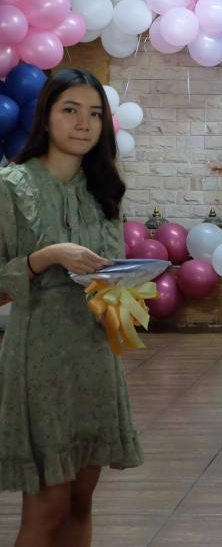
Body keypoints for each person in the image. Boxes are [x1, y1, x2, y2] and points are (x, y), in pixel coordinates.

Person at [0, 69, 142, 546]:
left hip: (95, 356)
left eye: (95, 114)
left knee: (81, 501)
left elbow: (114, 277)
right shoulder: (11, 185)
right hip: (39, 361)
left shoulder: (103, 189)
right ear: (46, 116)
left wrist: (123, 296)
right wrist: (46, 257)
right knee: (48, 507)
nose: (84, 123)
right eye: (70, 110)